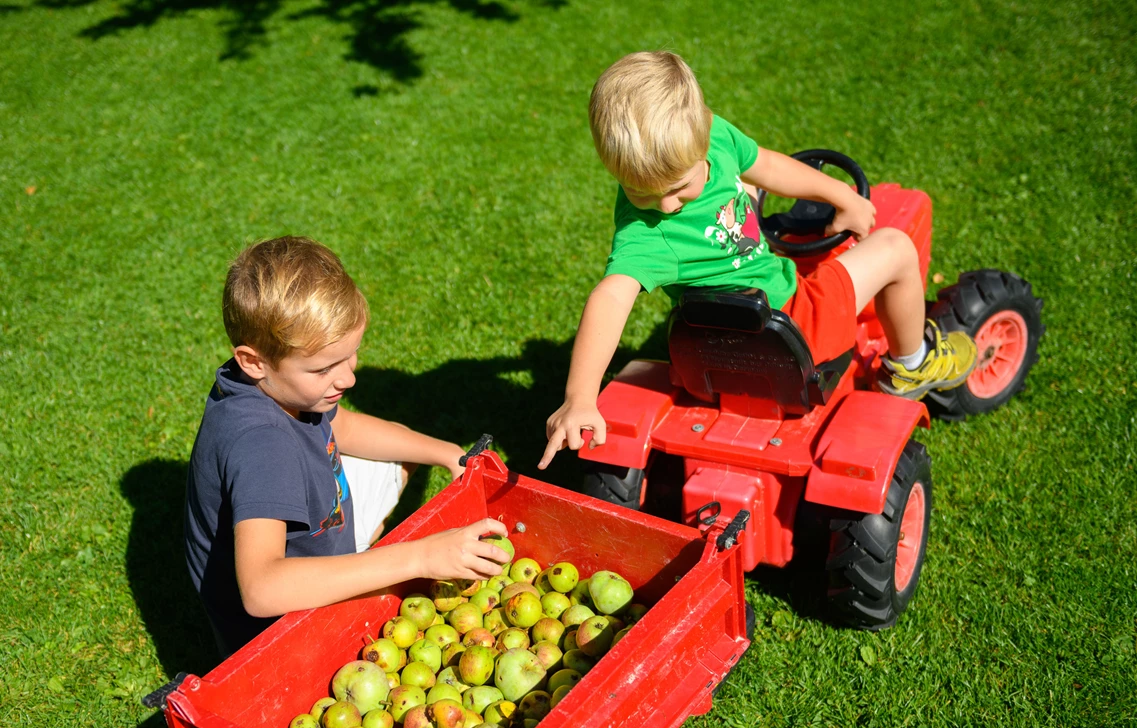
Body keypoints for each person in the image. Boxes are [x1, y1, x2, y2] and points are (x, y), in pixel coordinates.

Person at [540, 51, 977, 469]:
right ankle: (911, 364)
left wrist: (837, 195)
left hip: (709, 348)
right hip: (790, 323)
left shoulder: (709, 144)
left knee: (747, 191)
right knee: (896, 247)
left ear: (703, 132)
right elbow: (611, 296)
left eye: (680, 187)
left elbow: (763, 166)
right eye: (641, 191)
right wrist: (580, 396)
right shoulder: (644, 233)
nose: (667, 205)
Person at [185, 236, 509, 658]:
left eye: (351, 356)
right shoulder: (262, 445)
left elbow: (345, 426)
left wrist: (446, 452)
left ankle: (356, 553)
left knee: (399, 449)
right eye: (324, 368)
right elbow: (262, 589)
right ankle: (359, 564)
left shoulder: (276, 387)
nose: (348, 380)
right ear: (254, 361)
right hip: (278, 635)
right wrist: (420, 557)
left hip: (314, 535)